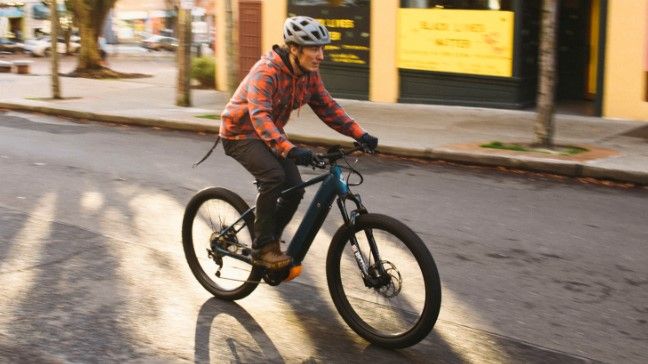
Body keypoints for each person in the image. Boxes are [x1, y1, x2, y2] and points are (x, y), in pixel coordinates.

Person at [218, 16, 378, 270]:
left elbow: (327, 107)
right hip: (240, 134)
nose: (321, 55)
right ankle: (261, 249)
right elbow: (259, 116)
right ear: (294, 48)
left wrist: (360, 134)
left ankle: (270, 239)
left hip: (270, 135)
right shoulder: (266, 72)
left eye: (322, 48)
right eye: (315, 48)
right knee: (273, 176)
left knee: (295, 188)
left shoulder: (307, 75)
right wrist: (290, 150)